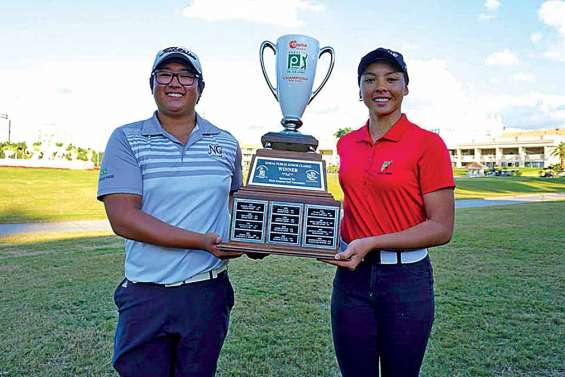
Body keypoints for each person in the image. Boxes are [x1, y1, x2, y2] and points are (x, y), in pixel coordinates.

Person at [97, 46, 243, 377]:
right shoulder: (126, 138)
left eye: (186, 75)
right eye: (165, 74)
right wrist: (202, 241)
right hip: (147, 295)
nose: (174, 82)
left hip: (207, 293)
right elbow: (124, 219)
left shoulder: (226, 142)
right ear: (152, 84)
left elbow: (238, 207)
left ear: (200, 88)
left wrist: (256, 241)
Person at [324, 48, 455, 377]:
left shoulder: (428, 143)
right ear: (360, 91)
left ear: (405, 88)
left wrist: (371, 242)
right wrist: (320, 235)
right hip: (351, 280)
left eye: (391, 79)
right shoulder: (347, 144)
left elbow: (441, 227)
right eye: (370, 80)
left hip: (406, 282)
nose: (381, 87)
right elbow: (355, 208)